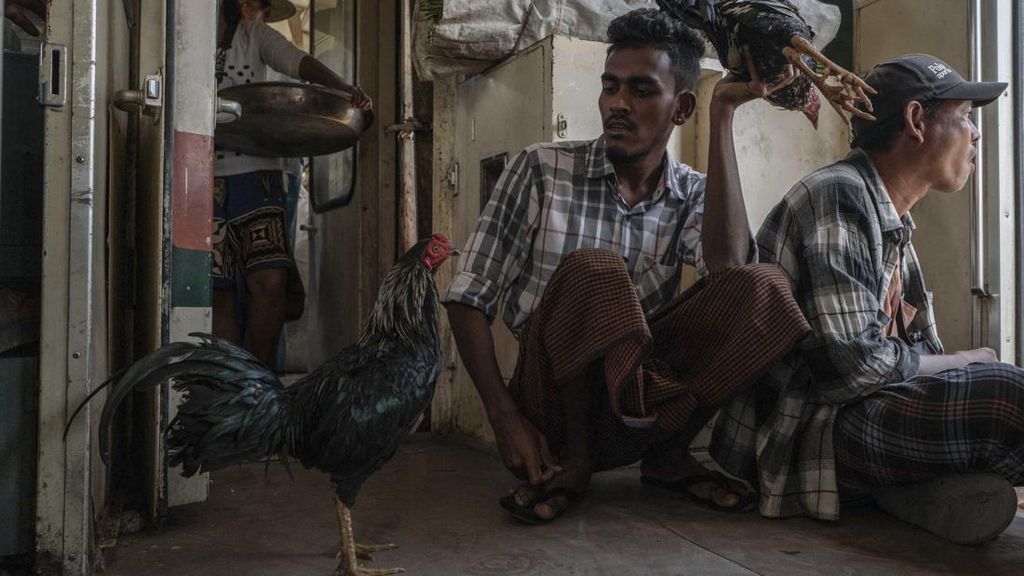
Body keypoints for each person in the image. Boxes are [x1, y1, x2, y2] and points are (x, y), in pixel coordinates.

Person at [443, 8, 810, 524]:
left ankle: (666, 456)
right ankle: (575, 461)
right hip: (549, 404)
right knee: (597, 270)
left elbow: (730, 277)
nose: (617, 104)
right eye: (609, 86)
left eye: (641, 91)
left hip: (639, 408)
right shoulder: (540, 169)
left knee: (767, 287)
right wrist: (504, 418)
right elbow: (467, 296)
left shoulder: (692, 193)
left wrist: (724, 109)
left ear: (682, 108)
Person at [710, 53, 1021, 545]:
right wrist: (965, 361)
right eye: (964, 117)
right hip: (806, 436)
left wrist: (955, 366)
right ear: (917, 121)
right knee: (1007, 397)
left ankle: (904, 493)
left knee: (987, 392)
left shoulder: (891, 221)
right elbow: (855, 366)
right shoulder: (838, 195)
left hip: (858, 417)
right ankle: (899, 488)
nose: (974, 134)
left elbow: (908, 358)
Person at [212, 0, 370, 365]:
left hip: (257, 177)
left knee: (269, 285)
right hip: (205, 178)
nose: (253, 9)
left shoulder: (255, 36)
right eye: (248, 3)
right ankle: (228, 388)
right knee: (218, 291)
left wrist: (344, 88)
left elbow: (297, 60)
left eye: (260, 5)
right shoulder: (194, 38)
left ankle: (261, 382)